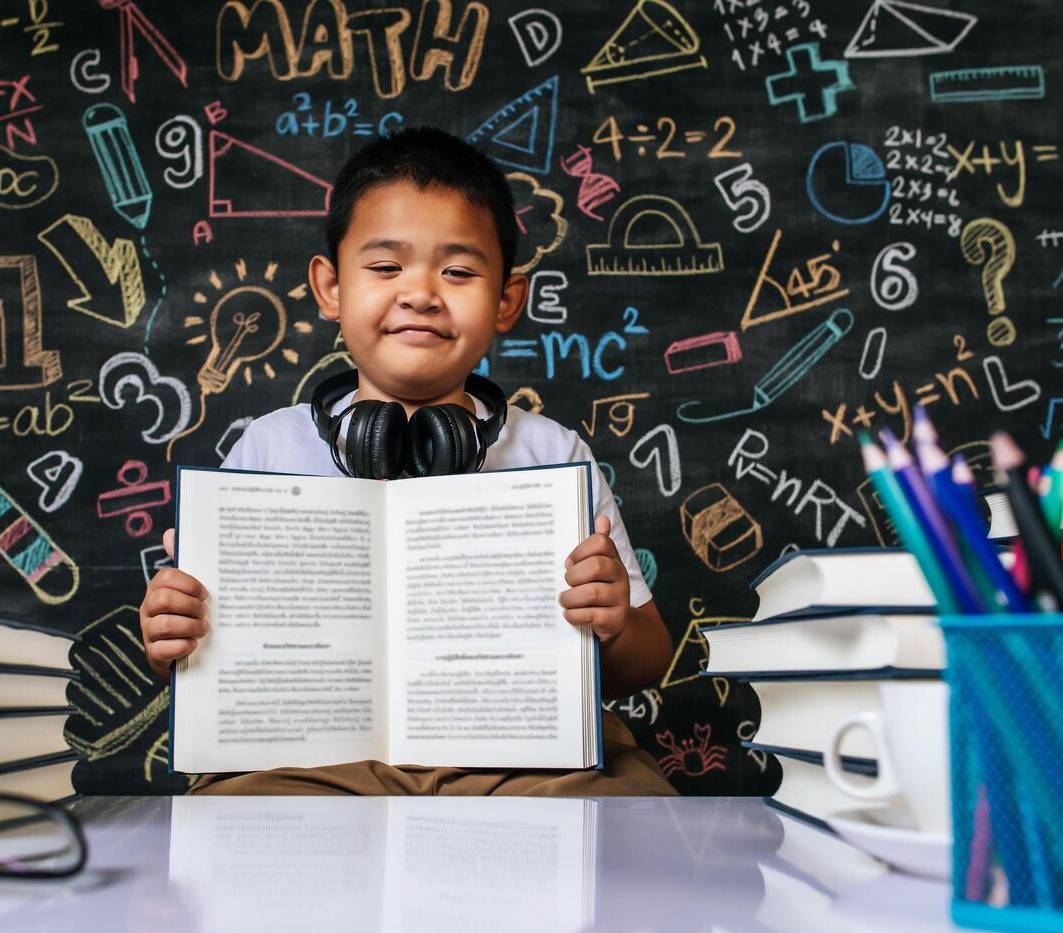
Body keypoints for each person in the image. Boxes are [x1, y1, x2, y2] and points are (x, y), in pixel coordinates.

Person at [141, 126, 676, 795]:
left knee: (627, 799)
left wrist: (613, 620)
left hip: (519, 760)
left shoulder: (551, 453)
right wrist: (169, 629)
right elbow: (198, 655)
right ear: (330, 288)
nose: (420, 292)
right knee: (236, 807)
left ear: (506, 299)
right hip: (311, 757)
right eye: (386, 267)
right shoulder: (267, 450)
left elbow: (647, 657)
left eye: (457, 270)